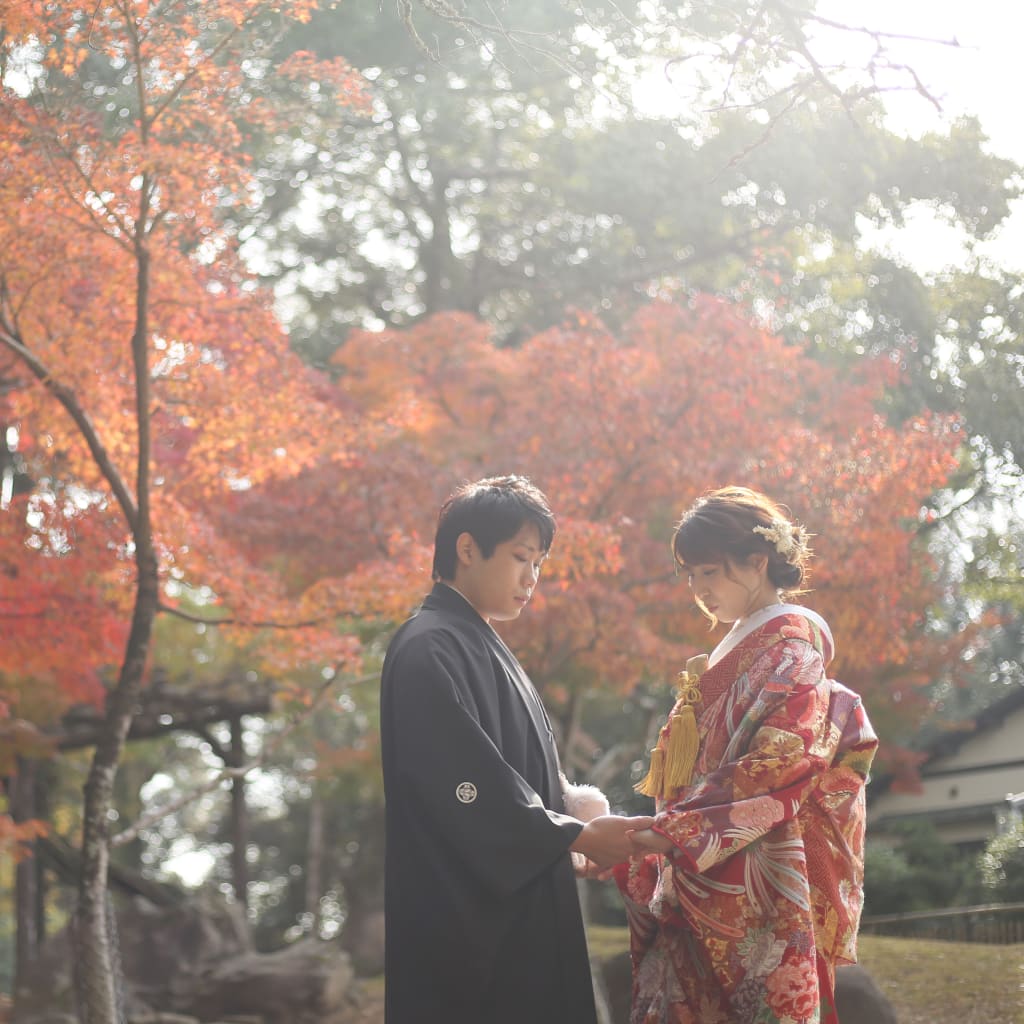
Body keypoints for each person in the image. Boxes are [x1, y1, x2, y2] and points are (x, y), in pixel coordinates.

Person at [380, 474, 654, 1024]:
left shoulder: (477, 641)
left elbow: (516, 772)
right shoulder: (427, 646)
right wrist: (571, 833)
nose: (531, 578)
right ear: (466, 549)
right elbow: (463, 786)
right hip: (467, 929)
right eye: (520, 558)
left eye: (539, 565)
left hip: (516, 906)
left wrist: (573, 809)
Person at [615, 486, 878, 1024]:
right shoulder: (738, 646)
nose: (698, 588)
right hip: (703, 857)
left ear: (756, 562)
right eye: (690, 575)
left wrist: (676, 830)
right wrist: (673, 830)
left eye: (709, 572)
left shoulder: (793, 649)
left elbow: (781, 760)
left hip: (757, 865)